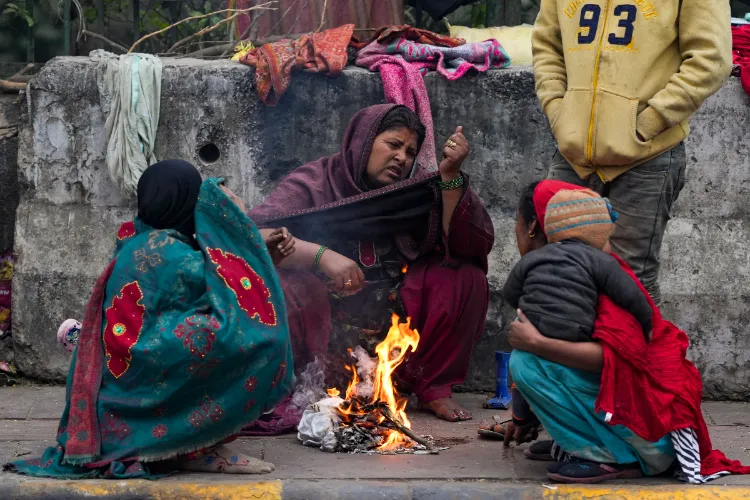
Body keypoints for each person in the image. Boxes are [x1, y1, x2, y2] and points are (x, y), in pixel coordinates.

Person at [5, 160, 295, 478]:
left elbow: (215, 281)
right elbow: (234, 301)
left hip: (131, 361)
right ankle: (195, 446)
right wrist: (245, 242)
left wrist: (257, 256)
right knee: (255, 338)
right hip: (147, 361)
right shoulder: (173, 254)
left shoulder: (138, 239)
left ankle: (192, 440)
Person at [247, 104, 494, 424]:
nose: (402, 158)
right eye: (393, 145)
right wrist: (322, 256)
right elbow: (254, 237)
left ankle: (431, 386)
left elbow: (460, 243)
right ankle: (302, 389)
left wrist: (449, 176)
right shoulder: (316, 182)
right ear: (362, 141)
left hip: (395, 332)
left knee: (464, 277)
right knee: (280, 283)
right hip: (323, 332)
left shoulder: (414, 189)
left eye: (410, 152)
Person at [532, 0, 733, 304]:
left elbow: (711, 59)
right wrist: (558, 112)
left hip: (647, 155)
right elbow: (547, 46)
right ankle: (558, 353)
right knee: (553, 271)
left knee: (628, 281)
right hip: (572, 153)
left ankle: (632, 352)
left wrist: (648, 123)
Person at [503, 185, 652, 343]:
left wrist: (527, 308)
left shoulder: (533, 257)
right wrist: (647, 325)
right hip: (576, 334)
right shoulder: (602, 261)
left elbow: (510, 292)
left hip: (533, 326)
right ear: (599, 235)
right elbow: (631, 295)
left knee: (519, 360)